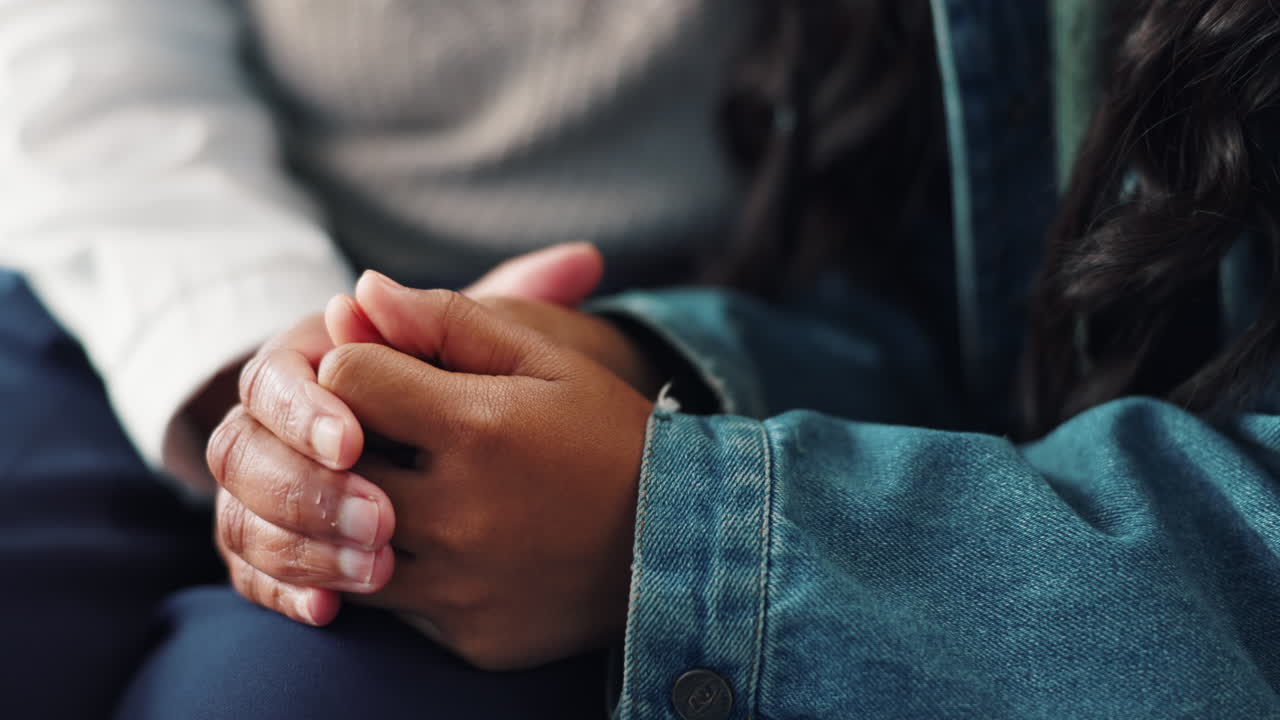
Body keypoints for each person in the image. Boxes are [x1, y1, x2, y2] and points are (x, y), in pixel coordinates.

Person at [4, 2, 1280, 720]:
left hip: (681, 339)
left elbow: (943, 292)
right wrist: (276, 376)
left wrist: (674, 510)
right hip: (176, 262)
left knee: (269, 697)